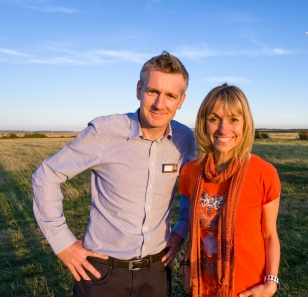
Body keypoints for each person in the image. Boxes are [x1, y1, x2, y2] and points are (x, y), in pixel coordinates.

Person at [32, 51, 195, 297]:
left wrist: (182, 228)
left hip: (157, 271)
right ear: (139, 89)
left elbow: (192, 187)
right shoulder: (105, 131)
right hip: (101, 273)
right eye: (153, 92)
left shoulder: (184, 139)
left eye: (170, 95)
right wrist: (63, 242)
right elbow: (47, 175)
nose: (160, 104)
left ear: (181, 100)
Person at [178, 84, 281, 297]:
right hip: (202, 286)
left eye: (234, 119)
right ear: (203, 123)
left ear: (245, 124)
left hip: (247, 288)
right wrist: (187, 263)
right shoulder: (190, 172)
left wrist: (271, 283)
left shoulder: (264, 173)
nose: (223, 129)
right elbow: (194, 228)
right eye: (214, 119)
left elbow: (270, 234)